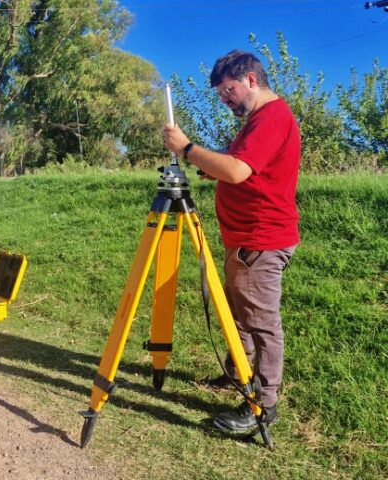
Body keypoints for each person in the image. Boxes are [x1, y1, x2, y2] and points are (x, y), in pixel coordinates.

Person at [161, 50, 300, 434]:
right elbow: (243, 166)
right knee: (238, 313)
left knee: (260, 323)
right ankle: (240, 371)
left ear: (252, 80)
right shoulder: (259, 119)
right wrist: (212, 166)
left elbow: (238, 171)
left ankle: (262, 406)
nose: (225, 98)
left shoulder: (271, 118)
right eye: (221, 93)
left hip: (261, 240)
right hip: (246, 240)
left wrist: (187, 149)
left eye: (229, 89)